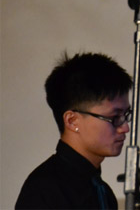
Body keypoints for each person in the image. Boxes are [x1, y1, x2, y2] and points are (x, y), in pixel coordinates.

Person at [15, 52, 132, 209]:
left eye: (126, 115)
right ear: (72, 121)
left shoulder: (103, 192)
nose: (125, 128)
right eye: (114, 117)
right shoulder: (45, 190)